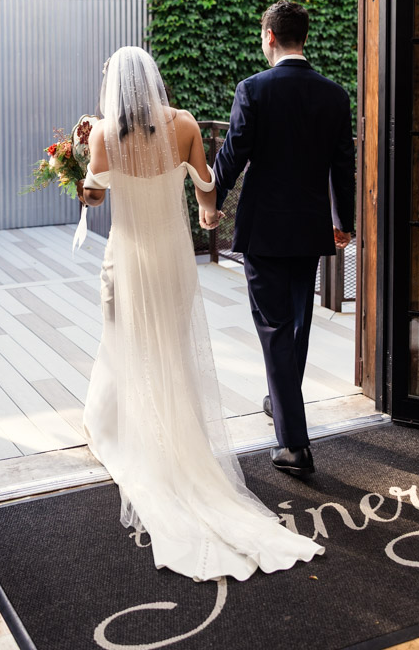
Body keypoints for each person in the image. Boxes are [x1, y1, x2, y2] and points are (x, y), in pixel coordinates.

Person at [78, 46, 324, 582]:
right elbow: (207, 181)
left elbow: (93, 197)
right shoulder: (185, 124)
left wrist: (77, 165)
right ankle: (180, 434)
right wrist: (206, 206)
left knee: (127, 340)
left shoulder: (102, 135)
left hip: (130, 256)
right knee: (171, 343)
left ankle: (127, 429)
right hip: (172, 257)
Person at [209, 1, 356, 478]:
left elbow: (232, 155)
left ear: (269, 36)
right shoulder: (334, 94)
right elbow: (342, 166)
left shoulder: (253, 89)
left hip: (265, 230)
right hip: (310, 227)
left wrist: (210, 202)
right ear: (303, 37)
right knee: (297, 322)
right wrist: (344, 220)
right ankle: (280, 400)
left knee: (275, 328)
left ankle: (294, 445)